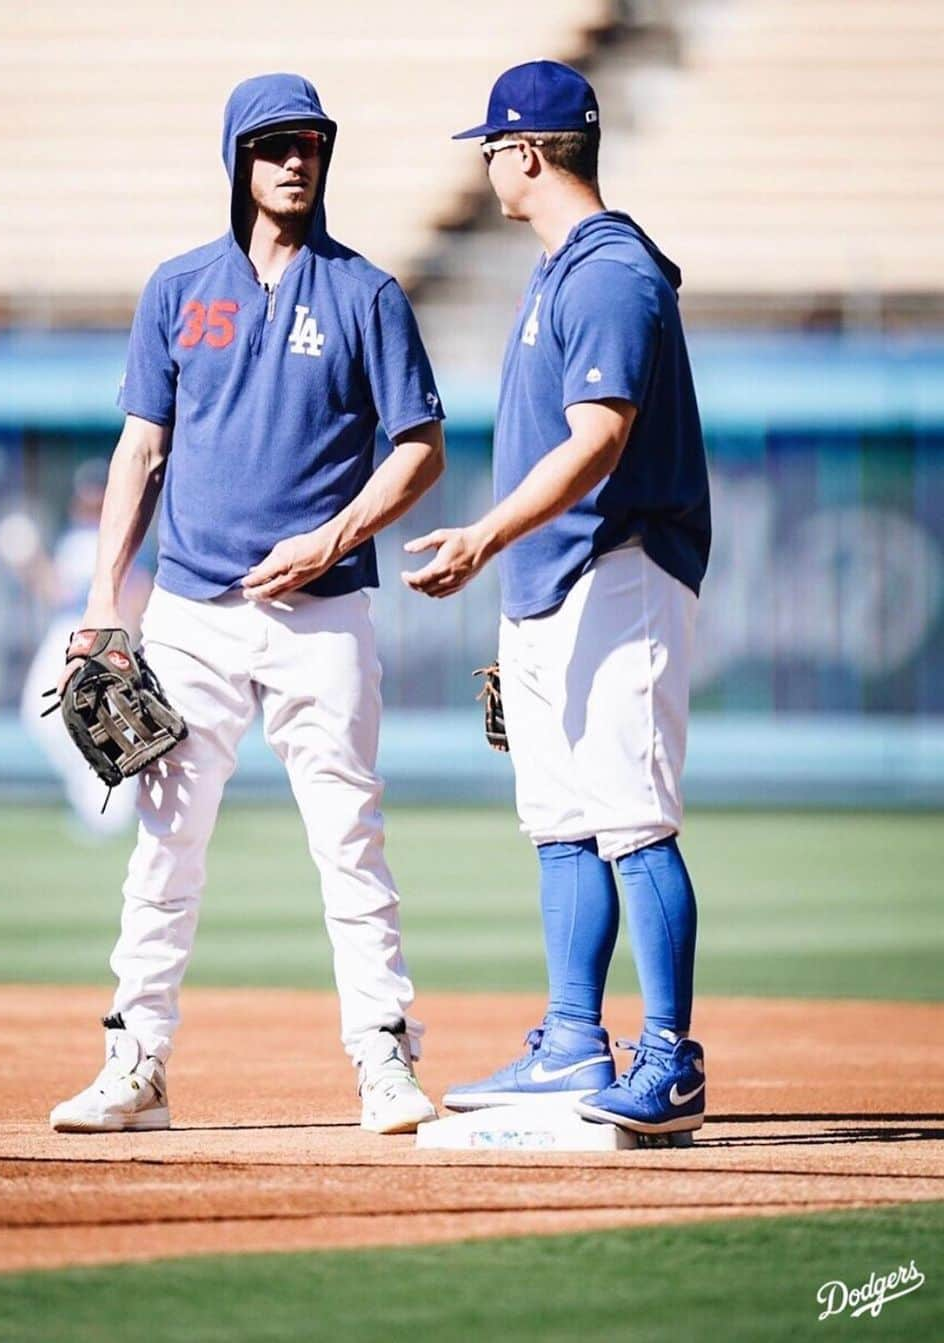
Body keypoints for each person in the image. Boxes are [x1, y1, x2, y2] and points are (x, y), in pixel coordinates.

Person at [49, 72, 445, 1136]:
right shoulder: (178, 288)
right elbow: (142, 446)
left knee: (349, 839)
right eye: (273, 143)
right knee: (165, 843)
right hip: (190, 612)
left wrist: (334, 534)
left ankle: (383, 1057)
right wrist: (102, 603)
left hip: (325, 612)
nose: (295, 159)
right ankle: (136, 1062)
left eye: (311, 142)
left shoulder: (367, 293)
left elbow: (420, 448)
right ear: (238, 157)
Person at [404, 61, 711, 1135]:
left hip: (616, 567)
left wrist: (488, 538)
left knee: (632, 817)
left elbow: (602, 438)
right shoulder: (558, 269)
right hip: (550, 583)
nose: (486, 161)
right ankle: (576, 1039)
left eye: (490, 144)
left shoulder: (609, 271)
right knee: (565, 823)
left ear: (525, 153)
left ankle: (669, 1058)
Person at [0, 460, 151, 837]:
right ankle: (97, 796)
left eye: (97, 492)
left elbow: (138, 590)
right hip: (68, 632)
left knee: (101, 723)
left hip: (97, 637)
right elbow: (57, 593)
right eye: (86, 492)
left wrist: (124, 646)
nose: (89, 498)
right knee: (43, 716)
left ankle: (110, 811)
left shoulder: (120, 536)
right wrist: (29, 563)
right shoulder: (76, 538)